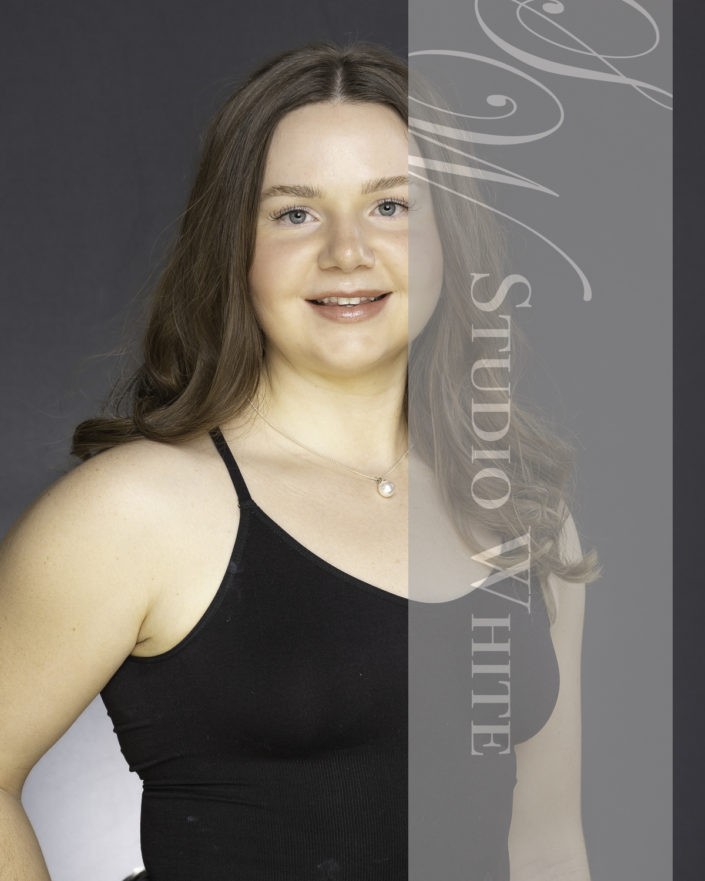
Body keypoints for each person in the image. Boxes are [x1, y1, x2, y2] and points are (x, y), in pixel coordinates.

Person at [0, 42, 598, 880]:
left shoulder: (524, 511)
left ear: (449, 239)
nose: (347, 250)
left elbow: (546, 844)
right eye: (294, 214)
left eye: (390, 205)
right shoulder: (137, 511)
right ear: (232, 248)